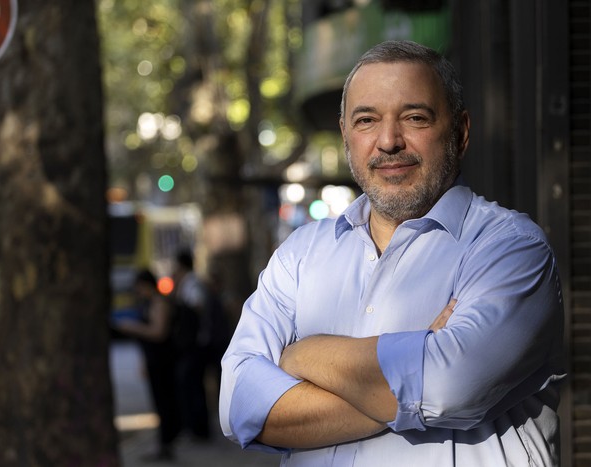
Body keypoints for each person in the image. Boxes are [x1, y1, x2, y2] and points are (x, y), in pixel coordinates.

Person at [219, 40, 566, 466]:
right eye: (366, 120)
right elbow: (240, 406)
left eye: (414, 117)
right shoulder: (299, 255)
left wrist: (301, 354)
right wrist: (414, 365)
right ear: (345, 133)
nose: (388, 141)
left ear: (460, 131)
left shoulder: (511, 248)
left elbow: (448, 387)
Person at [113, 269, 180, 461]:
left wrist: (131, 327)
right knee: (161, 402)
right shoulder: (150, 303)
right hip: (155, 360)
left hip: (163, 361)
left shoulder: (159, 303)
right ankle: (165, 442)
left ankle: (167, 443)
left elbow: (158, 332)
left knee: (165, 402)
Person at [170, 249, 211, 441]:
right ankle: (197, 426)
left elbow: (197, 306)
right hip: (193, 343)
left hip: (194, 344)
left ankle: (199, 428)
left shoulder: (191, 284)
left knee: (192, 384)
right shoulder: (188, 283)